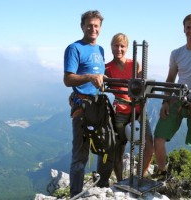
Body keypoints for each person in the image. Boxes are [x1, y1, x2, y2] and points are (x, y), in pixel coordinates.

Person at [153, 14, 191, 180]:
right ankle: (162, 172)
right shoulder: (177, 53)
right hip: (177, 100)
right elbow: (170, 79)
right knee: (159, 138)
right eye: (188, 27)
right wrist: (165, 101)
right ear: (183, 29)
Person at [63, 10, 111, 198]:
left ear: (100, 28)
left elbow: (99, 77)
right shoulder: (74, 48)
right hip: (82, 106)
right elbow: (68, 79)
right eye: (89, 25)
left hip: (99, 105)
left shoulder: (100, 50)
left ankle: (99, 187)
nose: (93, 29)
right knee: (80, 155)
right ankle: (75, 194)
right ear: (82, 26)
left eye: (96, 26)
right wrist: (90, 77)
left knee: (104, 146)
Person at [105, 33, 154, 181]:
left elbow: (143, 86)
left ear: (126, 48)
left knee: (148, 144)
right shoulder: (107, 68)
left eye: (122, 46)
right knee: (119, 148)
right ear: (111, 46)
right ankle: (121, 181)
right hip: (121, 111)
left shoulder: (135, 64)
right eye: (116, 45)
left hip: (139, 109)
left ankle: (140, 177)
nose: (119, 49)